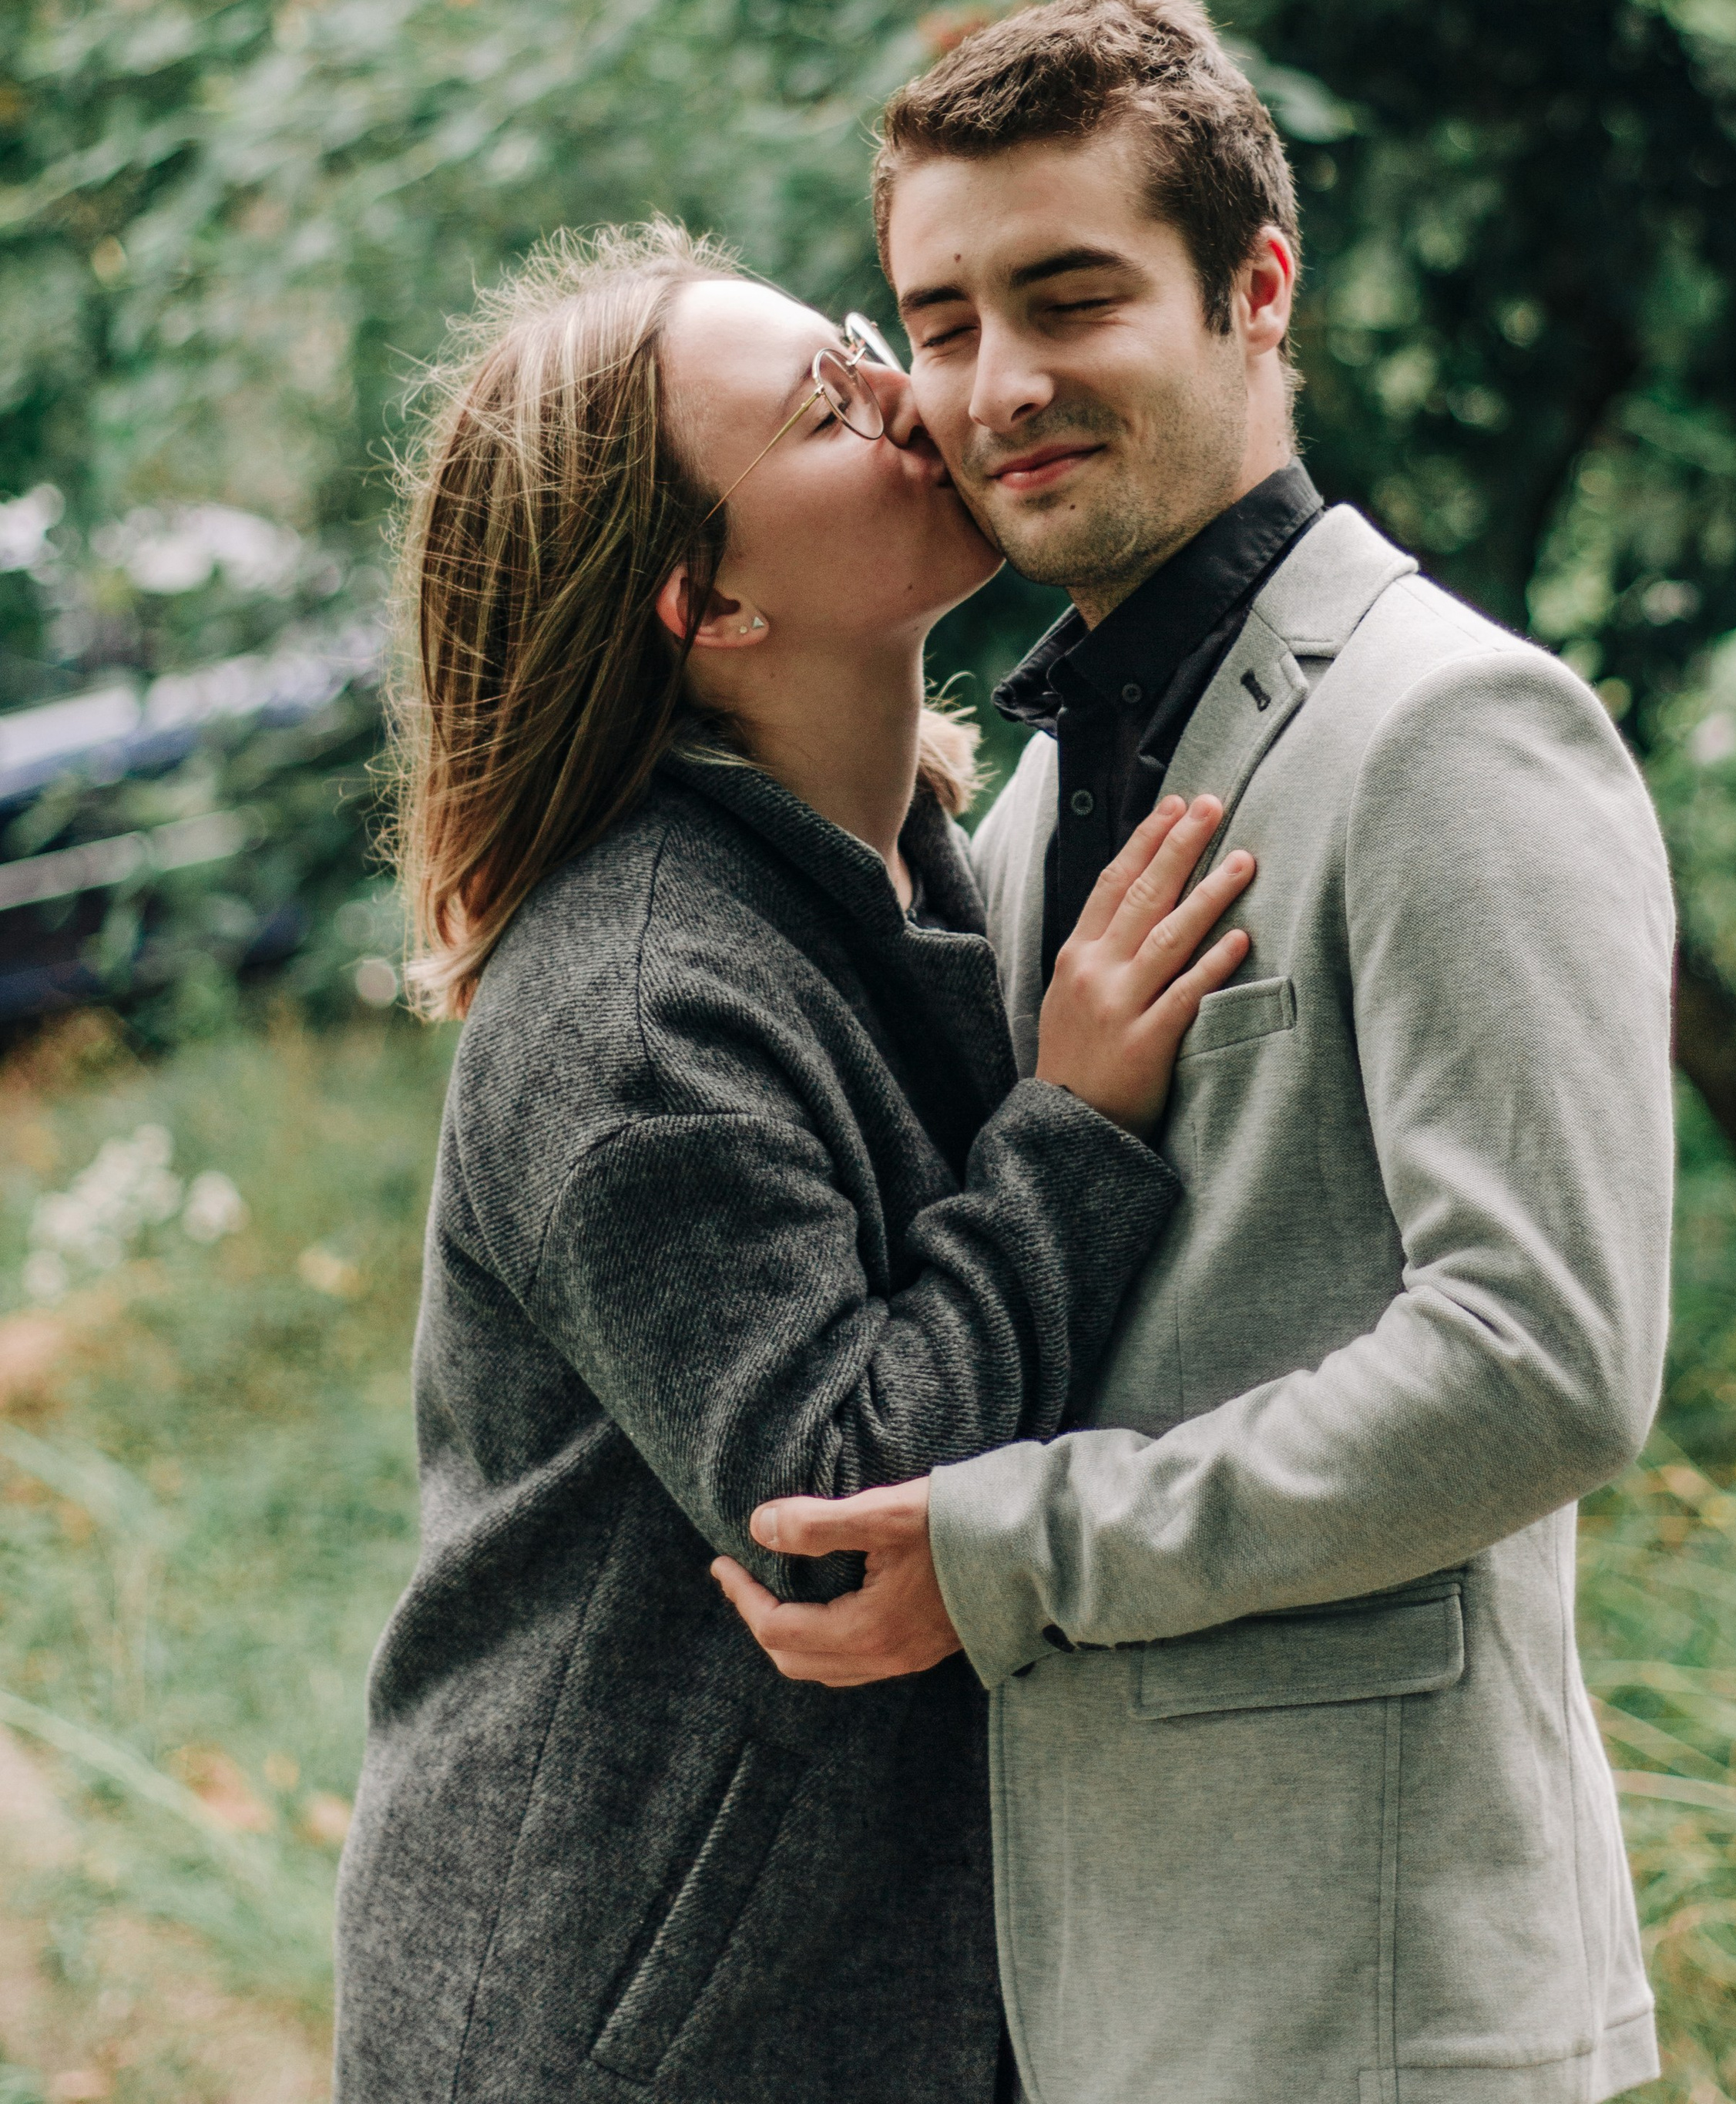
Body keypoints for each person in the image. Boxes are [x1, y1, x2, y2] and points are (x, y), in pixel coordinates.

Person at [712, 0, 1680, 2104]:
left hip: (1389, 2002)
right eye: (941, 320)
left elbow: (1546, 1360)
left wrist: (1014, 1548)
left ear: (1256, 287)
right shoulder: (1045, 798)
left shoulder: (1452, 732)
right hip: (1118, 2000)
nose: (1000, 382)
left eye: (1072, 297)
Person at [331, 219, 1261, 2104]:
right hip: (625, 2024)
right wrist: (1068, 1134)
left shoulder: (910, 867)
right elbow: (830, 1517)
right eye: (822, 408)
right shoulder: (641, 1007)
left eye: (855, 346)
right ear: (708, 603)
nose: (908, 398)